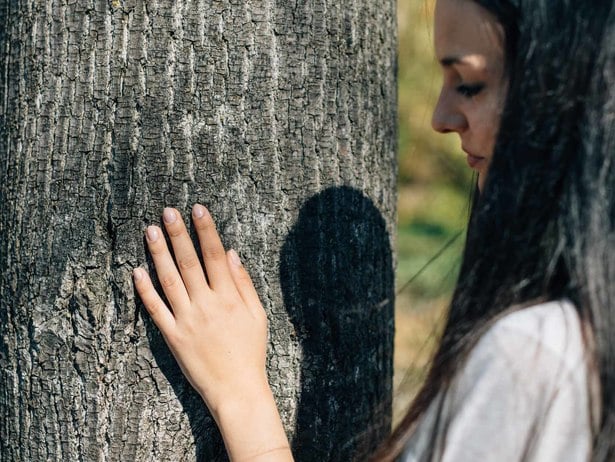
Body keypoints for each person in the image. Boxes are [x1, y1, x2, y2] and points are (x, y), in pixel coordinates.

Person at [132, 0, 615, 460]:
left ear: (565, 88)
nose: (440, 118)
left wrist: (240, 398)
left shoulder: (535, 358)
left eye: (469, 84)